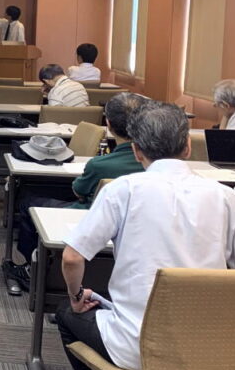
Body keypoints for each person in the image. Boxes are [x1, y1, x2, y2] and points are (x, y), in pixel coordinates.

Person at [56, 101, 235, 370]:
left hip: (139, 347)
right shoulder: (227, 198)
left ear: (136, 150)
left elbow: (71, 258)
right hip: (214, 351)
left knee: (67, 315)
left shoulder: (122, 190)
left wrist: (76, 295)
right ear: (187, 147)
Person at [8, 93, 147, 290]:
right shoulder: (156, 165)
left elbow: (78, 191)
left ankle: (32, 269)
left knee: (29, 202)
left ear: (108, 124)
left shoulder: (100, 165)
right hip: (136, 231)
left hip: (87, 219)